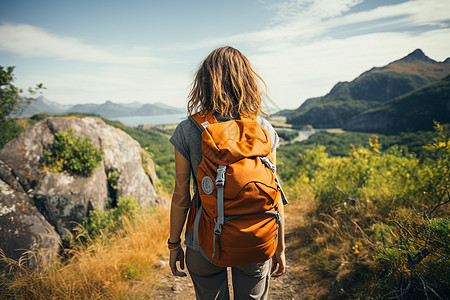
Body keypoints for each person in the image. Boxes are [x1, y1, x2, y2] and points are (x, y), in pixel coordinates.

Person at [168, 46, 286, 300]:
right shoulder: (262, 128)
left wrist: (174, 244)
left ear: (205, 82)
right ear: (247, 82)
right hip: (255, 237)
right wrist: (280, 246)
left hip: (203, 241)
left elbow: (181, 195)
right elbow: (274, 193)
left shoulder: (189, 129)